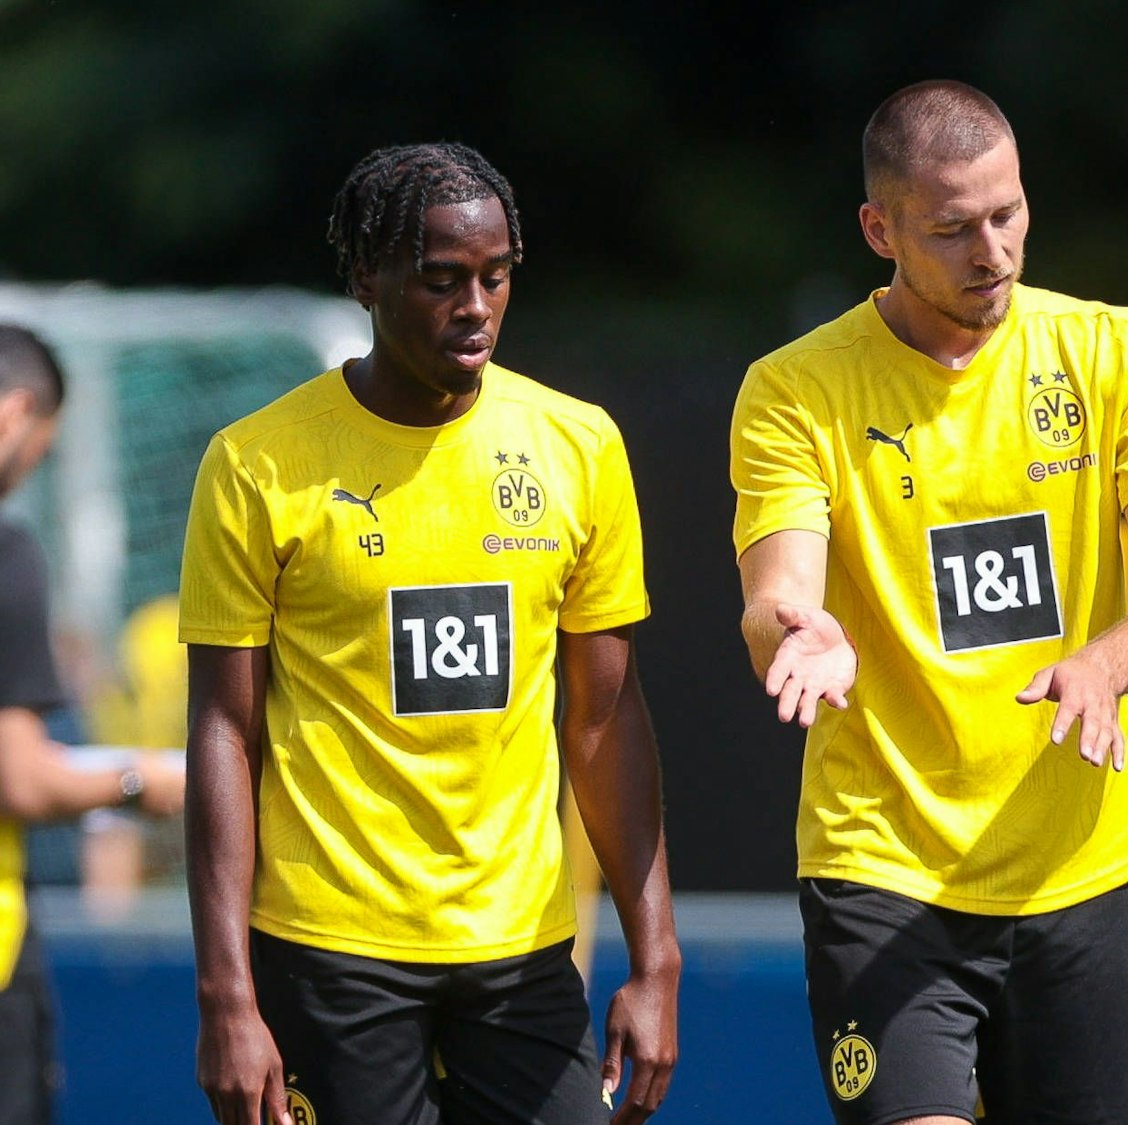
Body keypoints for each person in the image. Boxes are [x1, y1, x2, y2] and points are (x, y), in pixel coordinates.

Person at [730, 80, 1128, 1125]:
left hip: (1075, 870)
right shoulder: (795, 387)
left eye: (1005, 214)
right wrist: (797, 625)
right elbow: (776, 588)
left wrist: (1104, 663)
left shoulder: (1112, 350)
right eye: (952, 228)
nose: (991, 251)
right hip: (885, 868)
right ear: (879, 230)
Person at [180, 143, 679, 1125]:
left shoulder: (578, 446)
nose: (475, 307)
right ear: (367, 278)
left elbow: (605, 720)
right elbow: (223, 735)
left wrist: (655, 959)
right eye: (441, 281)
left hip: (524, 949)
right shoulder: (255, 465)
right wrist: (226, 998)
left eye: (495, 278)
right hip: (329, 952)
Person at [0, 324, 187, 1125]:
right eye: (44, 444)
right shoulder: (7, 556)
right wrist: (151, 779)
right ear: (15, 414)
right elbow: (24, 779)